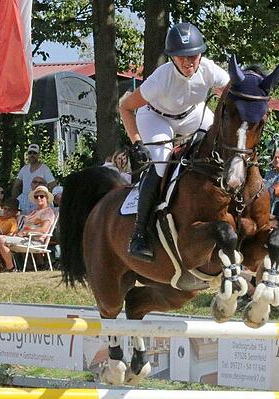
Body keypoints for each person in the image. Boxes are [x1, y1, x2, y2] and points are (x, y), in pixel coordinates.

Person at [118, 22, 229, 262]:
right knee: (163, 162)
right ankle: (139, 233)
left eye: (193, 55)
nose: (188, 62)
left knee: (221, 146)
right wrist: (136, 140)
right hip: (156, 117)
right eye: (181, 57)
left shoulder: (210, 70)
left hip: (192, 114)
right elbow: (125, 106)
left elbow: (233, 89)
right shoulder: (160, 80)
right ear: (172, 58)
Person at [0, 185, 56, 272]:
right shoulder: (33, 212)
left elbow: (43, 230)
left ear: (47, 198)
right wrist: (17, 233)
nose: (39, 198)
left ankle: (10, 268)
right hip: (23, 238)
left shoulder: (48, 212)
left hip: (34, 240)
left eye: (42, 196)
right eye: (36, 196)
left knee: (2, 240)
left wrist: (24, 233)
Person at [13, 144, 56, 214]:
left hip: (39, 200)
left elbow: (54, 186)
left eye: (34, 153)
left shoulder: (45, 169)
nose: (32, 155)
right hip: (24, 202)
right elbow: (16, 186)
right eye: (30, 153)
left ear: (38, 155)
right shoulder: (24, 169)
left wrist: (48, 198)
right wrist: (14, 200)